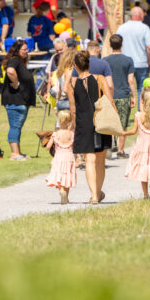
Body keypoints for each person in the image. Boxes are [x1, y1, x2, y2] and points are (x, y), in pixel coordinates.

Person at [67, 50, 115, 203]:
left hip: (83, 123)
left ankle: (94, 195)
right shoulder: (100, 78)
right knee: (100, 160)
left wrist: (76, 127)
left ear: (75, 66)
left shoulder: (71, 84)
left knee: (89, 160)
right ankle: (98, 192)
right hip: (100, 121)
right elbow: (110, 100)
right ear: (88, 64)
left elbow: (73, 110)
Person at [123, 89, 150, 199]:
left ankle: (146, 195)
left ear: (142, 101)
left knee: (143, 169)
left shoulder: (138, 116)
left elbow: (133, 131)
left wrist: (122, 133)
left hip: (142, 146)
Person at [103, 34, 138, 157]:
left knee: (110, 121)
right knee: (123, 123)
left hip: (110, 95)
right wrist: (134, 96)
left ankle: (110, 145)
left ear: (110, 45)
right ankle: (120, 150)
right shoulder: (128, 60)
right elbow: (131, 80)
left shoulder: (105, 60)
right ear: (121, 44)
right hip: (123, 95)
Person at [1, 39, 36, 160]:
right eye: (24, 49)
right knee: (15, 126)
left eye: (27, 49)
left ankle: (18, 152)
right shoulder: (15, 60)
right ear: (17, 50)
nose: (27, 51)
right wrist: (16, 83)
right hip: (15, 100)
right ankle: (14, 154)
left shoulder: (19, 62)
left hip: (21, 101)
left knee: (17, 126)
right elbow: (10, 71)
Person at [116, 7, 150, 89]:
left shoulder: (121, 28)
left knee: (125, 89)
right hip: (141, 62)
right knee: (142, 88)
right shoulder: (145, 28)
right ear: (141, 15)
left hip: (125, 62)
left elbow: (116, 44)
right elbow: (149, 47)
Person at [45, 110, 76, 205]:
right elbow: (74, 146)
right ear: (70, 121)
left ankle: (61, 190)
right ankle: (66, 196)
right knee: (67, 176)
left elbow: (48, 147)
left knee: (59, 175)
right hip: (69, 157)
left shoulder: (55, 134)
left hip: (58, 157)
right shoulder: (72, 134)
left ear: (59, 121)